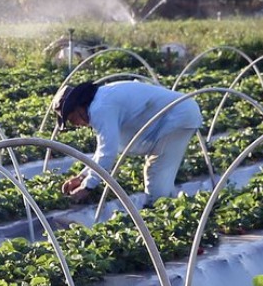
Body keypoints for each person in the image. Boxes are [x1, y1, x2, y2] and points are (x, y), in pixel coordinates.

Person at [52, 80, 203, 204]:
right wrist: (82, 177)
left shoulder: (100, 108)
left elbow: (108, 153)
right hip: (177, 114)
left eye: (72, 119)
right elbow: (102, 150)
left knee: (156, 171)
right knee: (160, 172)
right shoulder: (101, 99)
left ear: (79, 106)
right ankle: (168, 207)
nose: (76, 124)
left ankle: (160, 215)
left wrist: (88, 187)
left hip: (178, 116)